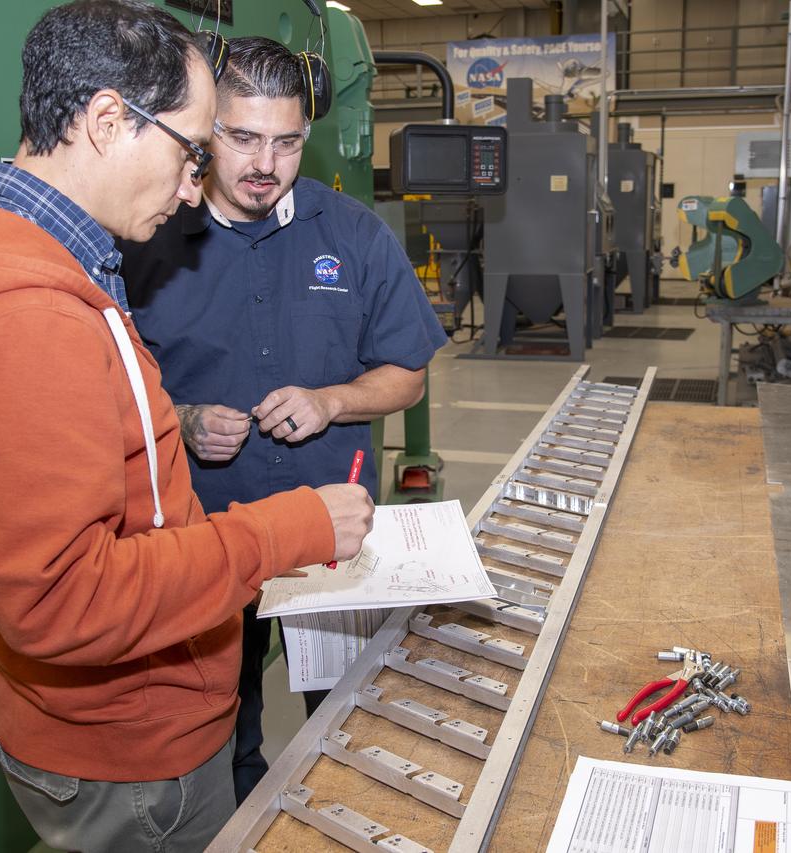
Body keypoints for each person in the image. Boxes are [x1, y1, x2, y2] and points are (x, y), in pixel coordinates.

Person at [0, 3, 373, 851]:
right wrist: (288, 529)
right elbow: (65, 599)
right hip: (132, 758)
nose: (189, 185)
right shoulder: (25, 320)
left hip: (127, 723)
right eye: (190, 151)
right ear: (106, 121)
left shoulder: (50, 271)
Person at [121, 36, 449, 803]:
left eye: (287, 141)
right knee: (215, 729)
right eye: (241, 138)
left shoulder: (355, 236)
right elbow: (102, 391)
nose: (264, 163)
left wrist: (333, 400)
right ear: (205, 131)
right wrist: (183, 416)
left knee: (345, 723)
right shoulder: (150, 238)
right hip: (200, 543)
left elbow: (409, 373)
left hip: (326, 545)